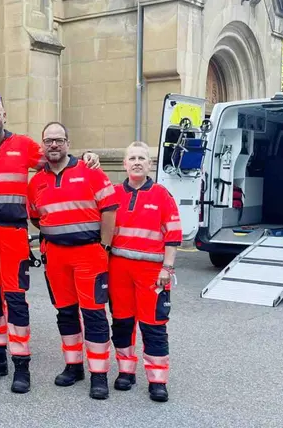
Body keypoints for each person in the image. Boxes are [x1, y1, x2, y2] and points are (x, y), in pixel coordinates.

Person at [0, 94, 100, 394]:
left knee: (16, 301)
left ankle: (21, 366)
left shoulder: (23, 146)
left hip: (11, 235)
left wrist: (88, 157)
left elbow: (55, 159)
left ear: (4, 116)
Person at [27, 121, 117, 400]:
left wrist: (104, 245)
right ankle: (73, 366)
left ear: (68, 142)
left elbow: (109, 209)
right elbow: (35, 217)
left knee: (93, 315)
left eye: (59, 140)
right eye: (49, 141)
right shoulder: (36, 182)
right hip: (55, 255)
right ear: (43, 145)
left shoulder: (90, 171)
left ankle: (99, 375)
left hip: (89, 253)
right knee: (65, 313)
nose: (54, 145)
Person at [108, 141, 180, 403]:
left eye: (142, 158)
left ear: (149, 164)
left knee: (154, 326)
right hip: (118, 269)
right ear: (125, 164)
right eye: (132, 158)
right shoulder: (114, 193)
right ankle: (126, 372)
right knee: (122, 323)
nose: (137, 162)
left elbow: (173, 235)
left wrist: (167, 267)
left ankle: (157, 379)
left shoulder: (162, 195)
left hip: (152, 273)